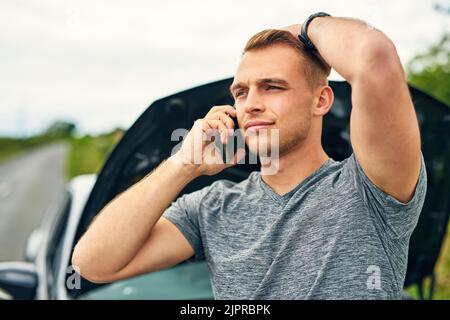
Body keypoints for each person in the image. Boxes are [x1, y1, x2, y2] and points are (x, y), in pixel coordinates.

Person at [72, 13, 427, 299]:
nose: (251, 103)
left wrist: (303, 29)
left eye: (272, 87)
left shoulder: (369, 188)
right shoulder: (211, 207)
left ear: (321, 100)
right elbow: (93, 264)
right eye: (241, 92)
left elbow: (374, 56)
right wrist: (182, 165)